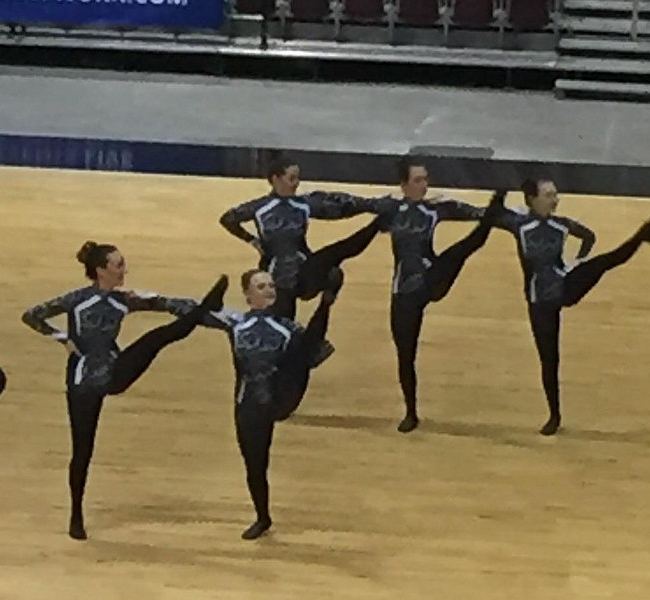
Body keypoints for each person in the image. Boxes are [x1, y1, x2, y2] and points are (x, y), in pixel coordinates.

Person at [22, 240, 228, 540]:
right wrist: (62, 337)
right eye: (119, 265)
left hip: (115, 371)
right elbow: (31, 315)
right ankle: (76, 514)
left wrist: (217, 320)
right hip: (83, 381)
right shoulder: (76, 299)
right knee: (82, 450)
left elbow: (169, 304)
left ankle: (206, 308)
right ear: (101, 270)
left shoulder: (125, 299)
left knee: (158, 337)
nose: (124, 270)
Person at [489, 179, 650, 435]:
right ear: (532, 199)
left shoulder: (562, 225)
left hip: (565, 286)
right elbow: (492, 215)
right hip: (540, 302)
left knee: (605, 262)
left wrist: (577, 261)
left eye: (555, 194)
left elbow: (589, 237)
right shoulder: (519, 225)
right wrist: (500, 195)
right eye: (549, 195)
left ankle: (642, 236)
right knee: (549, 360)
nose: (555, 200)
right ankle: (554, 415)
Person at [200, 267, 342, 540]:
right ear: (247, 294)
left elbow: (314, 348)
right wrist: (146, 300)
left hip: (280, 396)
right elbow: (193, 311)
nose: (270, 290)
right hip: (250, 404)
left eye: (271, 285)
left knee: (301, 350)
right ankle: (262, 517)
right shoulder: (236, 322)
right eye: (262, 286)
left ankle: (326, 303)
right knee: (255, 465)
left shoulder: (286, 327)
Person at [371, 156, 497, 433]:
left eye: (426, 179)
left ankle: (497, 199)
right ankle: (411, 412)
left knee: (463, 248)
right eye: (418, 180)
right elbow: (355, 206)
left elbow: (470, 211)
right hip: (404, 290)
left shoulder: (435, 209)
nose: (424, 185)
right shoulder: (391, 209)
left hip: (431, 279)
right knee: (405, 354)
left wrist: (497, 216)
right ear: (403, 185)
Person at [218, 154, 384, 321]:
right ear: (275, 179)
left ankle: (378, 223)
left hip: (304, 271)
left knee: (334, 264)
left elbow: (339, 205)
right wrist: (252, 240)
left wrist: (371, 204)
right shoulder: (260, 207)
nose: (297, 183)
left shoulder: (303, 203)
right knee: (285, 325)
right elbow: (227, 219)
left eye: (298, 178)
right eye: (291, 178)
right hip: (277, 277)